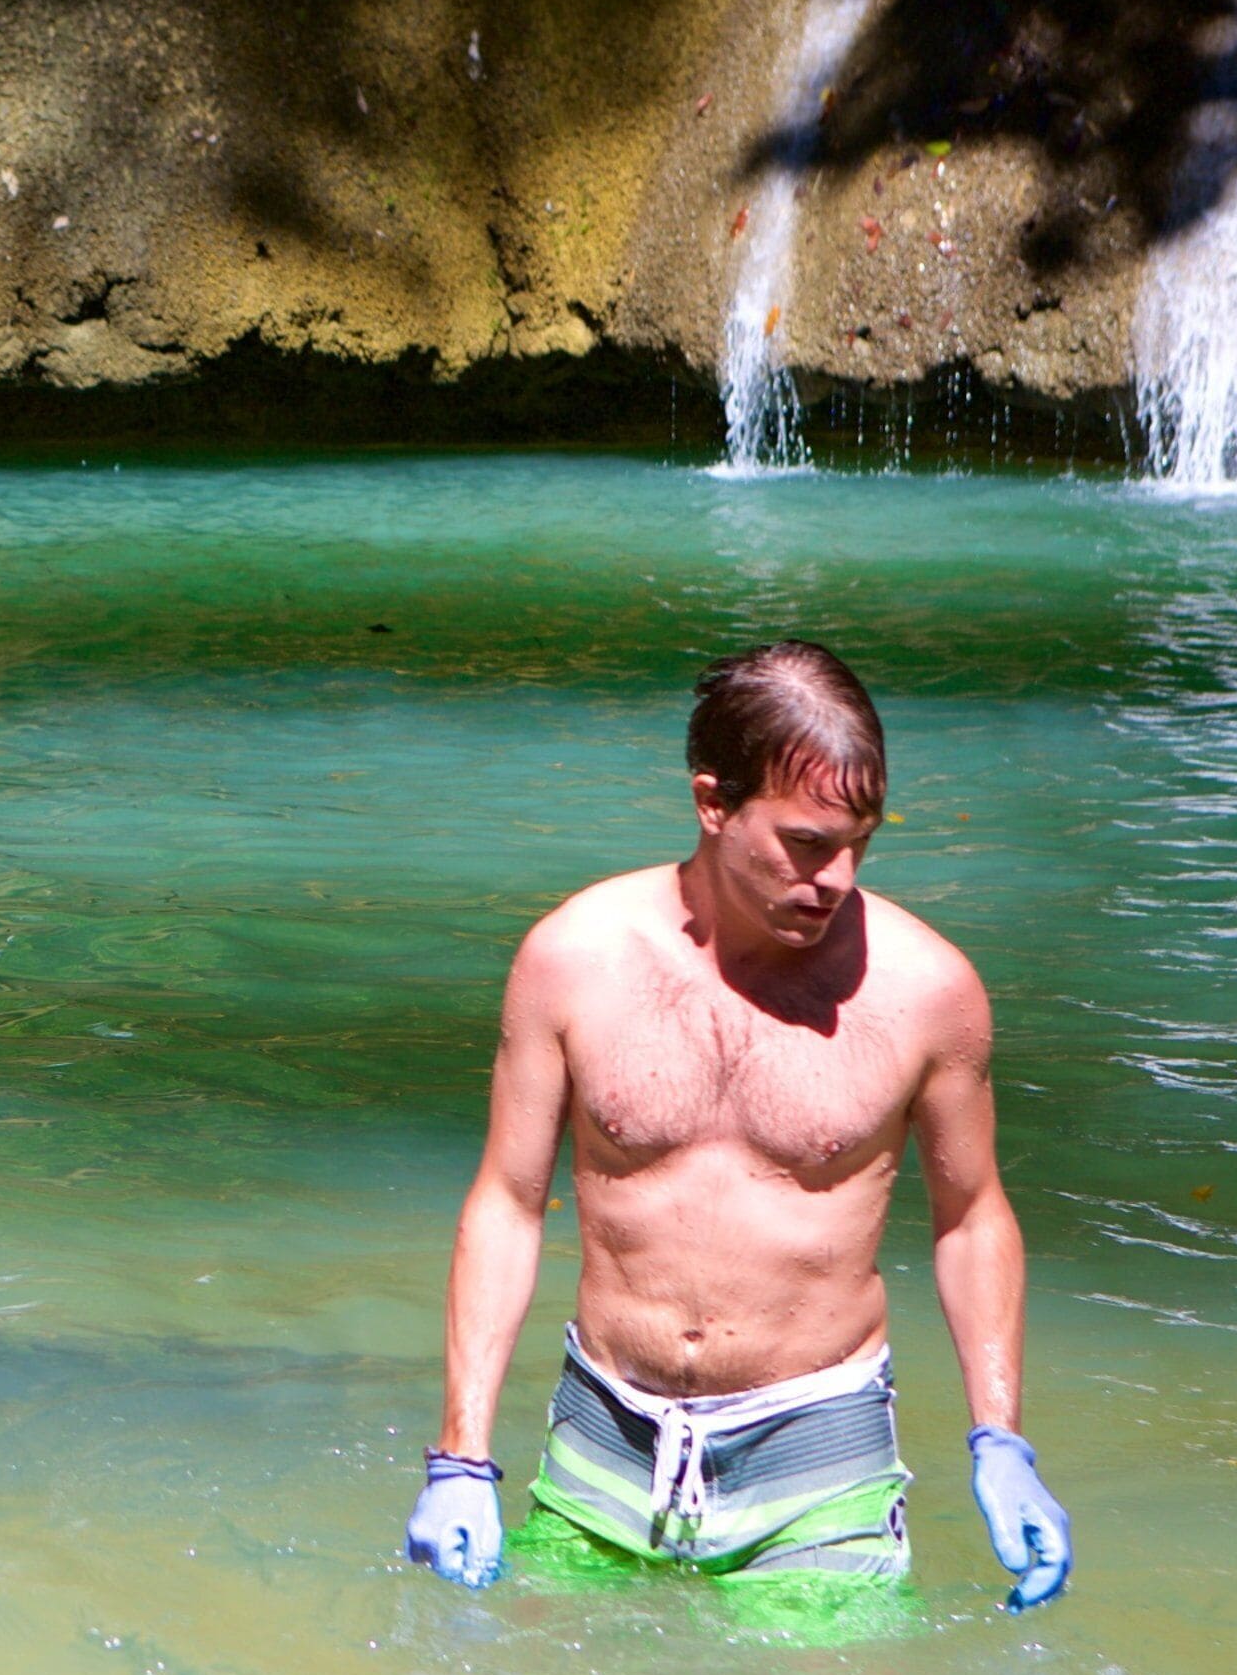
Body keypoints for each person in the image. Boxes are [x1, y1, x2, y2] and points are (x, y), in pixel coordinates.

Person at [402, 641, 1071, 1608]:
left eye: (861, 842)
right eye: (805, 842)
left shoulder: (929, 990)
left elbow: (972, 1217)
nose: (835, 877)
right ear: (713, 803)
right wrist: (460, 1459)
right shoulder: (573, 959)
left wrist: (1001, 1440)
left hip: (818, 1461)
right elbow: (507, 1204)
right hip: (601, 1444)